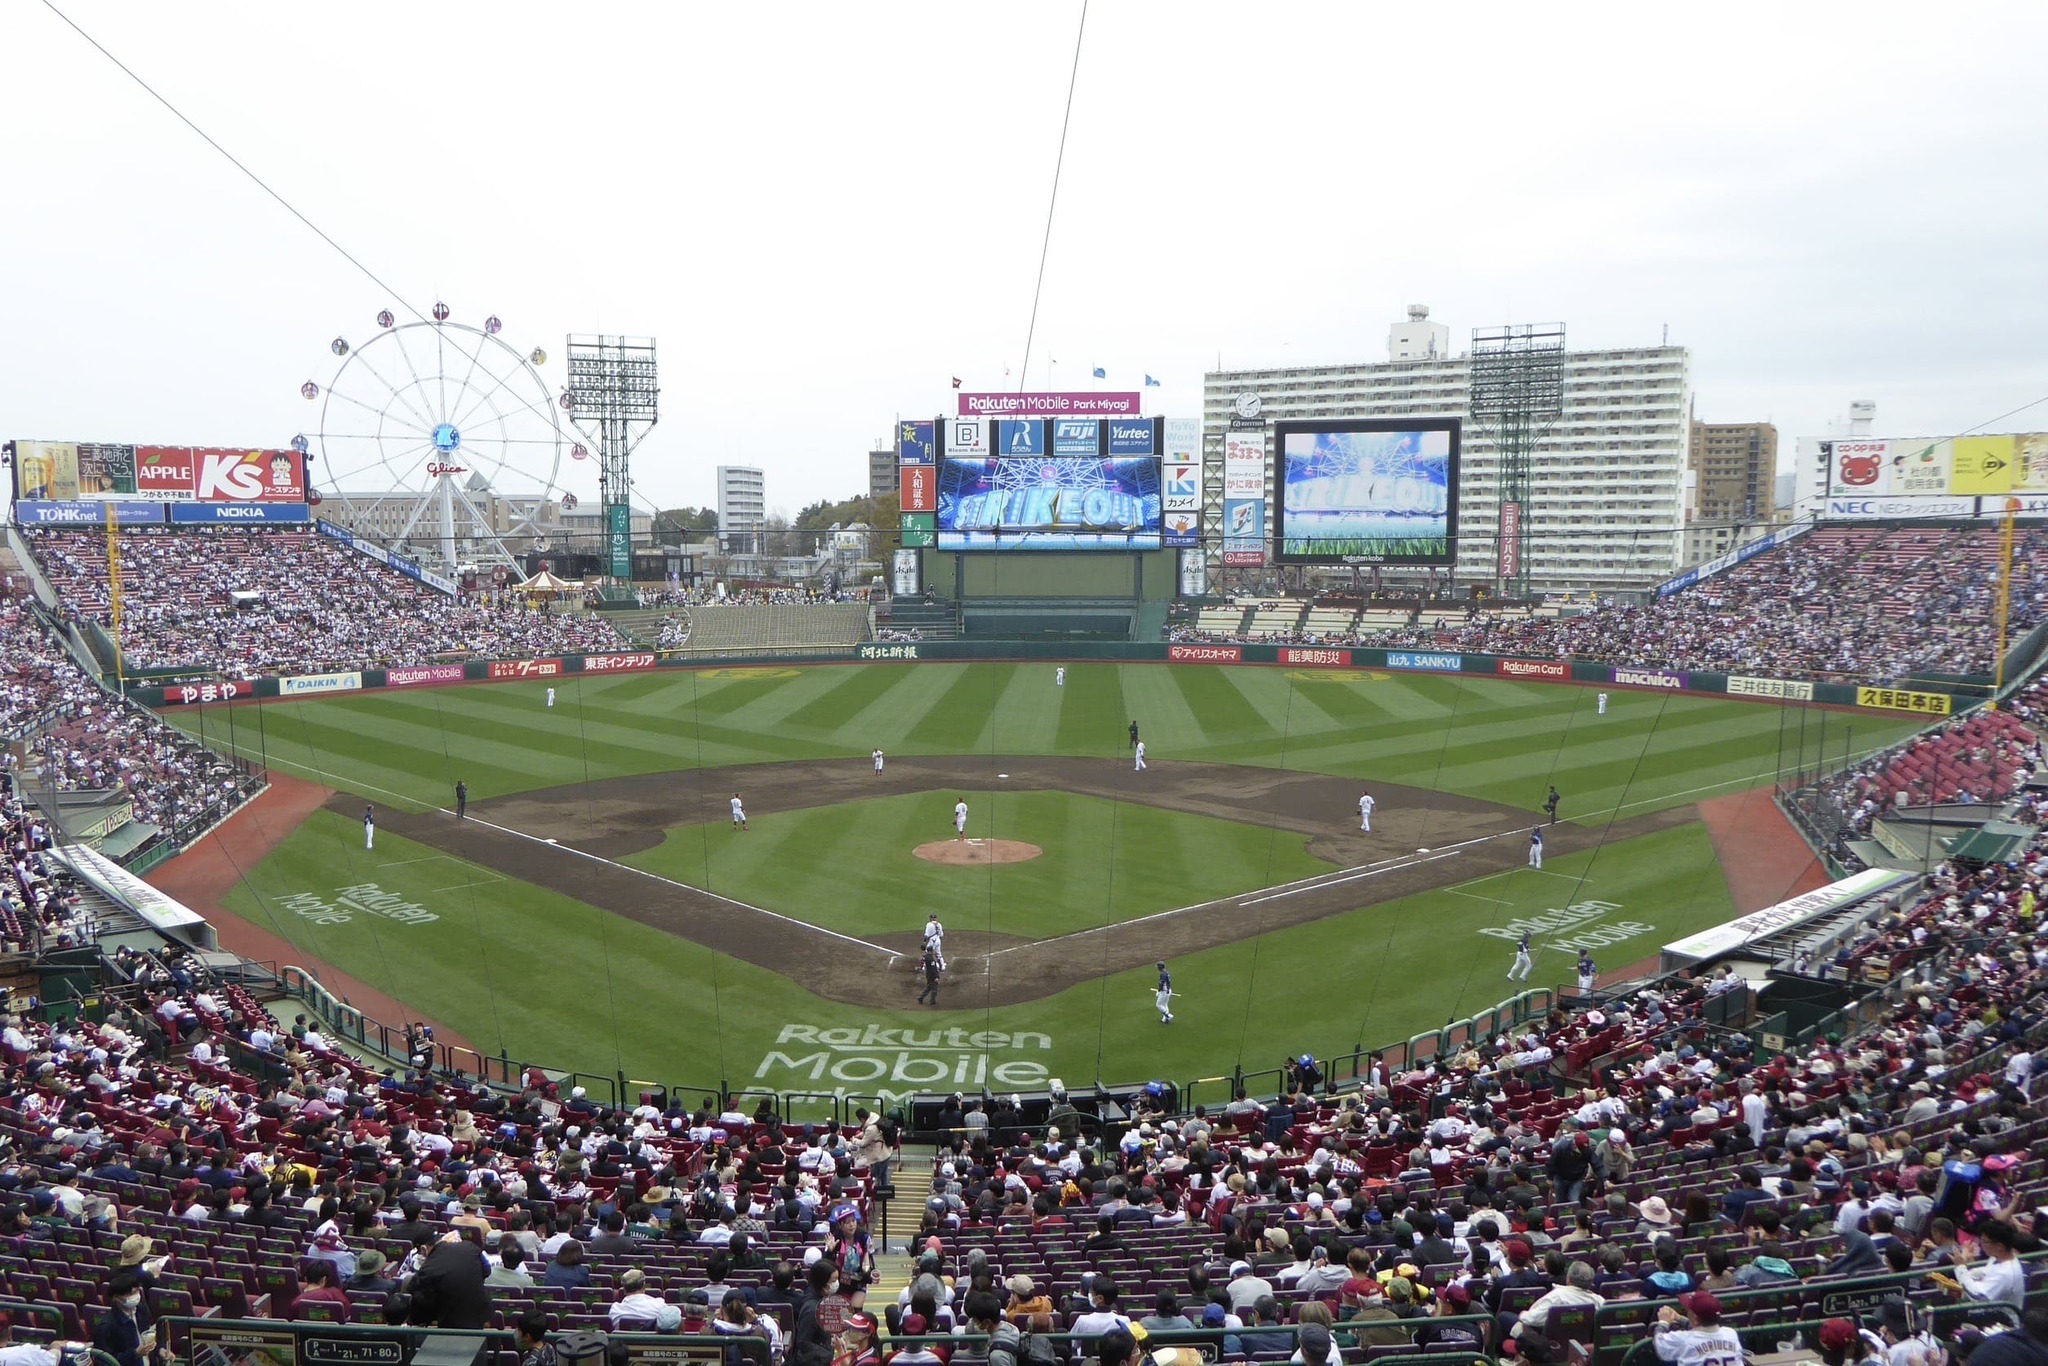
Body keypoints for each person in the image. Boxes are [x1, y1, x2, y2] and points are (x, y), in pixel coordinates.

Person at [408, 1230, 493, 1329]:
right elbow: (487, 1271)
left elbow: (412, 1288)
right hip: (482, 1314)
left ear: (424, 1249)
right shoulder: (470, 1246)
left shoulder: (428, 1268)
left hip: (451, 1323)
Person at [1652, 1292, 1741, 1366]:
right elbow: (1701, 1330)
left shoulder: (1683, 1339)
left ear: (1695, 1317)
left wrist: (1663, 1322)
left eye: (1688, 1310)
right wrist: (1680, 1318)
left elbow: (1659, 1343)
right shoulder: (1731, 1334)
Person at [92, 1272, 155, 1366]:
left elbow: (148, 1333)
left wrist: (161, 1350)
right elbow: (105, 1362)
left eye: (137, 1291)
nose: (136, 1296)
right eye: (130, 1294)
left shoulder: (141, 1309)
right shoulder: (106, 1327)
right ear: (116, 1298)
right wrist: (135, 1354)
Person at [1154, 960, 1175, 1025]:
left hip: (1164, 992)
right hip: (1168, 990)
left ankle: (1168, 1015)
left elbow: (1161, 984)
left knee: (1158, 1005)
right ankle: (1165, 1019)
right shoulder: (1166, 972)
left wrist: (1158, 991)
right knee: (1164, 1004)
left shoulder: (1162, 975)